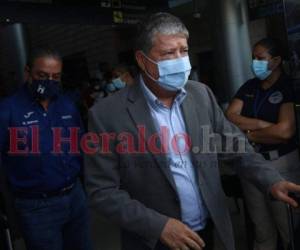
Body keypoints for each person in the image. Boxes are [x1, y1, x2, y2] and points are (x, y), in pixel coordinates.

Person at [85, 13, 300, 250]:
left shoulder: (201, 95)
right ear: (142, 60)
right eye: (168, 53)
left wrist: (272, 181)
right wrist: (159, 226)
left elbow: (237, 148)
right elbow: (102, 192)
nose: (179, 60)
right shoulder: (107, 114)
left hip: (208, 232)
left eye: (184, 51)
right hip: (153, 241)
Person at [0, 48, 92, 250]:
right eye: (42, 75)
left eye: (55, 77)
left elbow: (82, 146)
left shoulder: (67, 105)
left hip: (75, 197)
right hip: (36, 207)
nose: (48, 81)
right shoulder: (7, 110)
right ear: (27, 73)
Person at [226, 38, 300, 250]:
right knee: (261, 229)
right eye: (253, 58)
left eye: (260, 58)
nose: (254, 62)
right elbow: (230, 115)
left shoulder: (287, 86)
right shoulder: (250, 86)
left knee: (289, 229)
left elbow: (285, 131)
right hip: (252, 164)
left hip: (282, 164)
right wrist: (261, 124)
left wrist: (248, 134)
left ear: (275, 61)